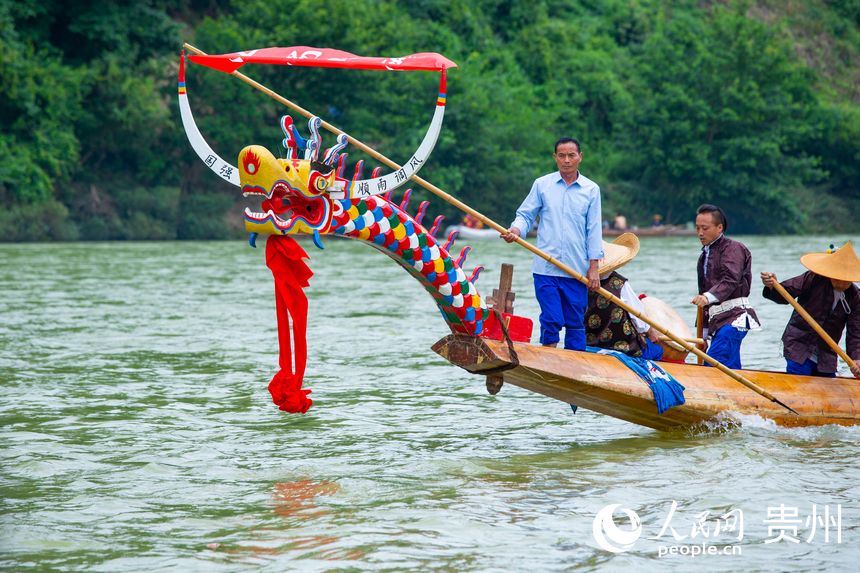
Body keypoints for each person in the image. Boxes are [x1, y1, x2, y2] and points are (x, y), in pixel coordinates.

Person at [500, 137, 603, 350]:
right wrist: (516, 230)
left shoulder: (591, 190)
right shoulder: (542, 185)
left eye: (571, 155)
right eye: (562, 155)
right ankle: (549, 358)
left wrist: (594, 267)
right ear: (555, 158)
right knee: (551, 318)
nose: (567, 160)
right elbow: (526, 215)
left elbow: (594, 230)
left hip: (576, 269)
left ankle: (576, 365)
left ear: (580, 157)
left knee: (575, 322)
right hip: (546, 268)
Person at [761, 241, 860, 378]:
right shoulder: (812, 279)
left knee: (827, 388)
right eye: (837, 278)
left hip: (827, 352)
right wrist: (773, 286)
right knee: (799, 380)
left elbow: (855, 332)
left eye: (846, 280)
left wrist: (856, 358)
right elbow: (785, 293)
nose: (842, 283)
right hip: (799, 344)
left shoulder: (855, 297)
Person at [690, 204, 759, 369]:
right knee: (729, 366)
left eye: (705, 228)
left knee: (715, 362)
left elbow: (730, 279)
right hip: (717, 319)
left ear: (719, 227)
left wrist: (707, 297)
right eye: (698, 228)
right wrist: (703, 336)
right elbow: (703, 297)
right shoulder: (703, 258)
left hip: (736, 316)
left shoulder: (734, 248)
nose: (700, 233)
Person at [585, 233, 664, 360]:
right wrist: (649, 331)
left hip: (589, 344)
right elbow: (638, 316)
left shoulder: (580, 283)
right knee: (657, 351)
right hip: (624, 347)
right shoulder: (619, 283)